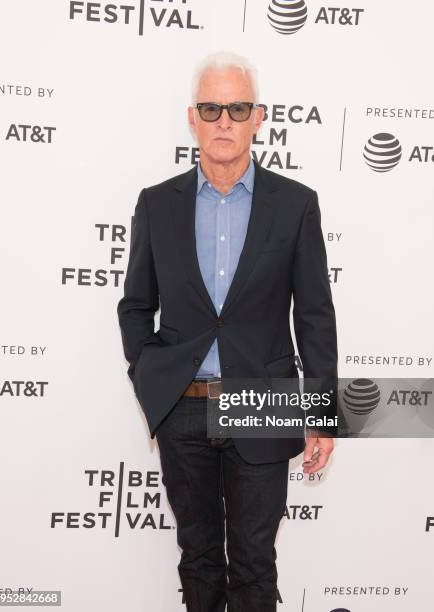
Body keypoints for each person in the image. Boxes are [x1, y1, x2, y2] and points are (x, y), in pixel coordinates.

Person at [117, 51, 338, 612]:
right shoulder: (156, 204)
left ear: (258, 117)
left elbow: (314, 315)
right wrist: (150, 378)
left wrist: (321, 414)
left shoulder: (296, 205)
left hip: (261, 399)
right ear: (192, 117)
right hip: (183, 405)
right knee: (198, 561)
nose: (224, 120)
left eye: (237, 107)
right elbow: (136, 305)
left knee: (255, 567)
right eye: (211, 107)